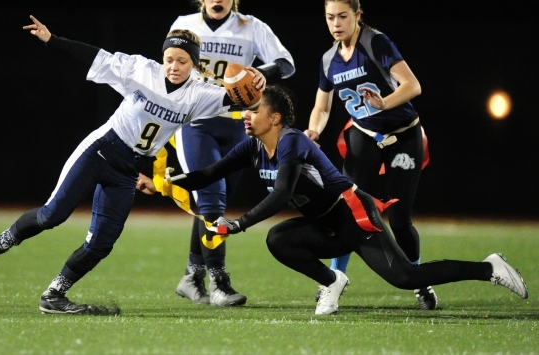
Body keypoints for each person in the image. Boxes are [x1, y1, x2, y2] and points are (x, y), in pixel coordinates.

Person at [0, 15, 265, 315]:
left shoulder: (200, 94)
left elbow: (243, 98)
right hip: (101, 151)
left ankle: (54, 294)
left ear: (194, 63)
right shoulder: (141, 70)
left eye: (182, 61)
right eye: (169, 58)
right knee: (53, 214)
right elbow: (95, 57)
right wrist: (53, 40)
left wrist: (261, 83)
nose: (173, 66)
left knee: (101, 243)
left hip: (128, 171)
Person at [136, 85, 528, 315]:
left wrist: (236, 224)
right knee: (279, 240)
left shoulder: (291, 141)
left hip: (354, 217)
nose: (246, 115)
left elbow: (283, 194)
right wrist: (172, 180)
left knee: (405, 277)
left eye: (255, 109)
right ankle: (332, 281)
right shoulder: (254, 145)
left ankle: (488, 267)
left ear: (275, 118)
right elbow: (210, 173)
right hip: (324, 223)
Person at [303, 0, 436, 309]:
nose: (336, 23)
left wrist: (384, 103)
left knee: (400, 220)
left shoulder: (375, 42)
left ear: (357, 15)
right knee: (347, 212)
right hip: (363, 136)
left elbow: (412, 85)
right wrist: (313, 131)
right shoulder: (328, 60)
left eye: (342, 16)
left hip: (404, 136)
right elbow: (322, 107)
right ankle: (335, 281)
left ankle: (420, 281)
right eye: (330, 17)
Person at [165, 0, 295, 307]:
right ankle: (219, 282)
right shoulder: (184, 24)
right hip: (196, 122)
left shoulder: (250, 26)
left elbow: (286, 63)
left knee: (215, 204)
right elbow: (169, 69)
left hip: (238, 125)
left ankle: (192, 276)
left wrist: (262, 72)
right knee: (211, 200)